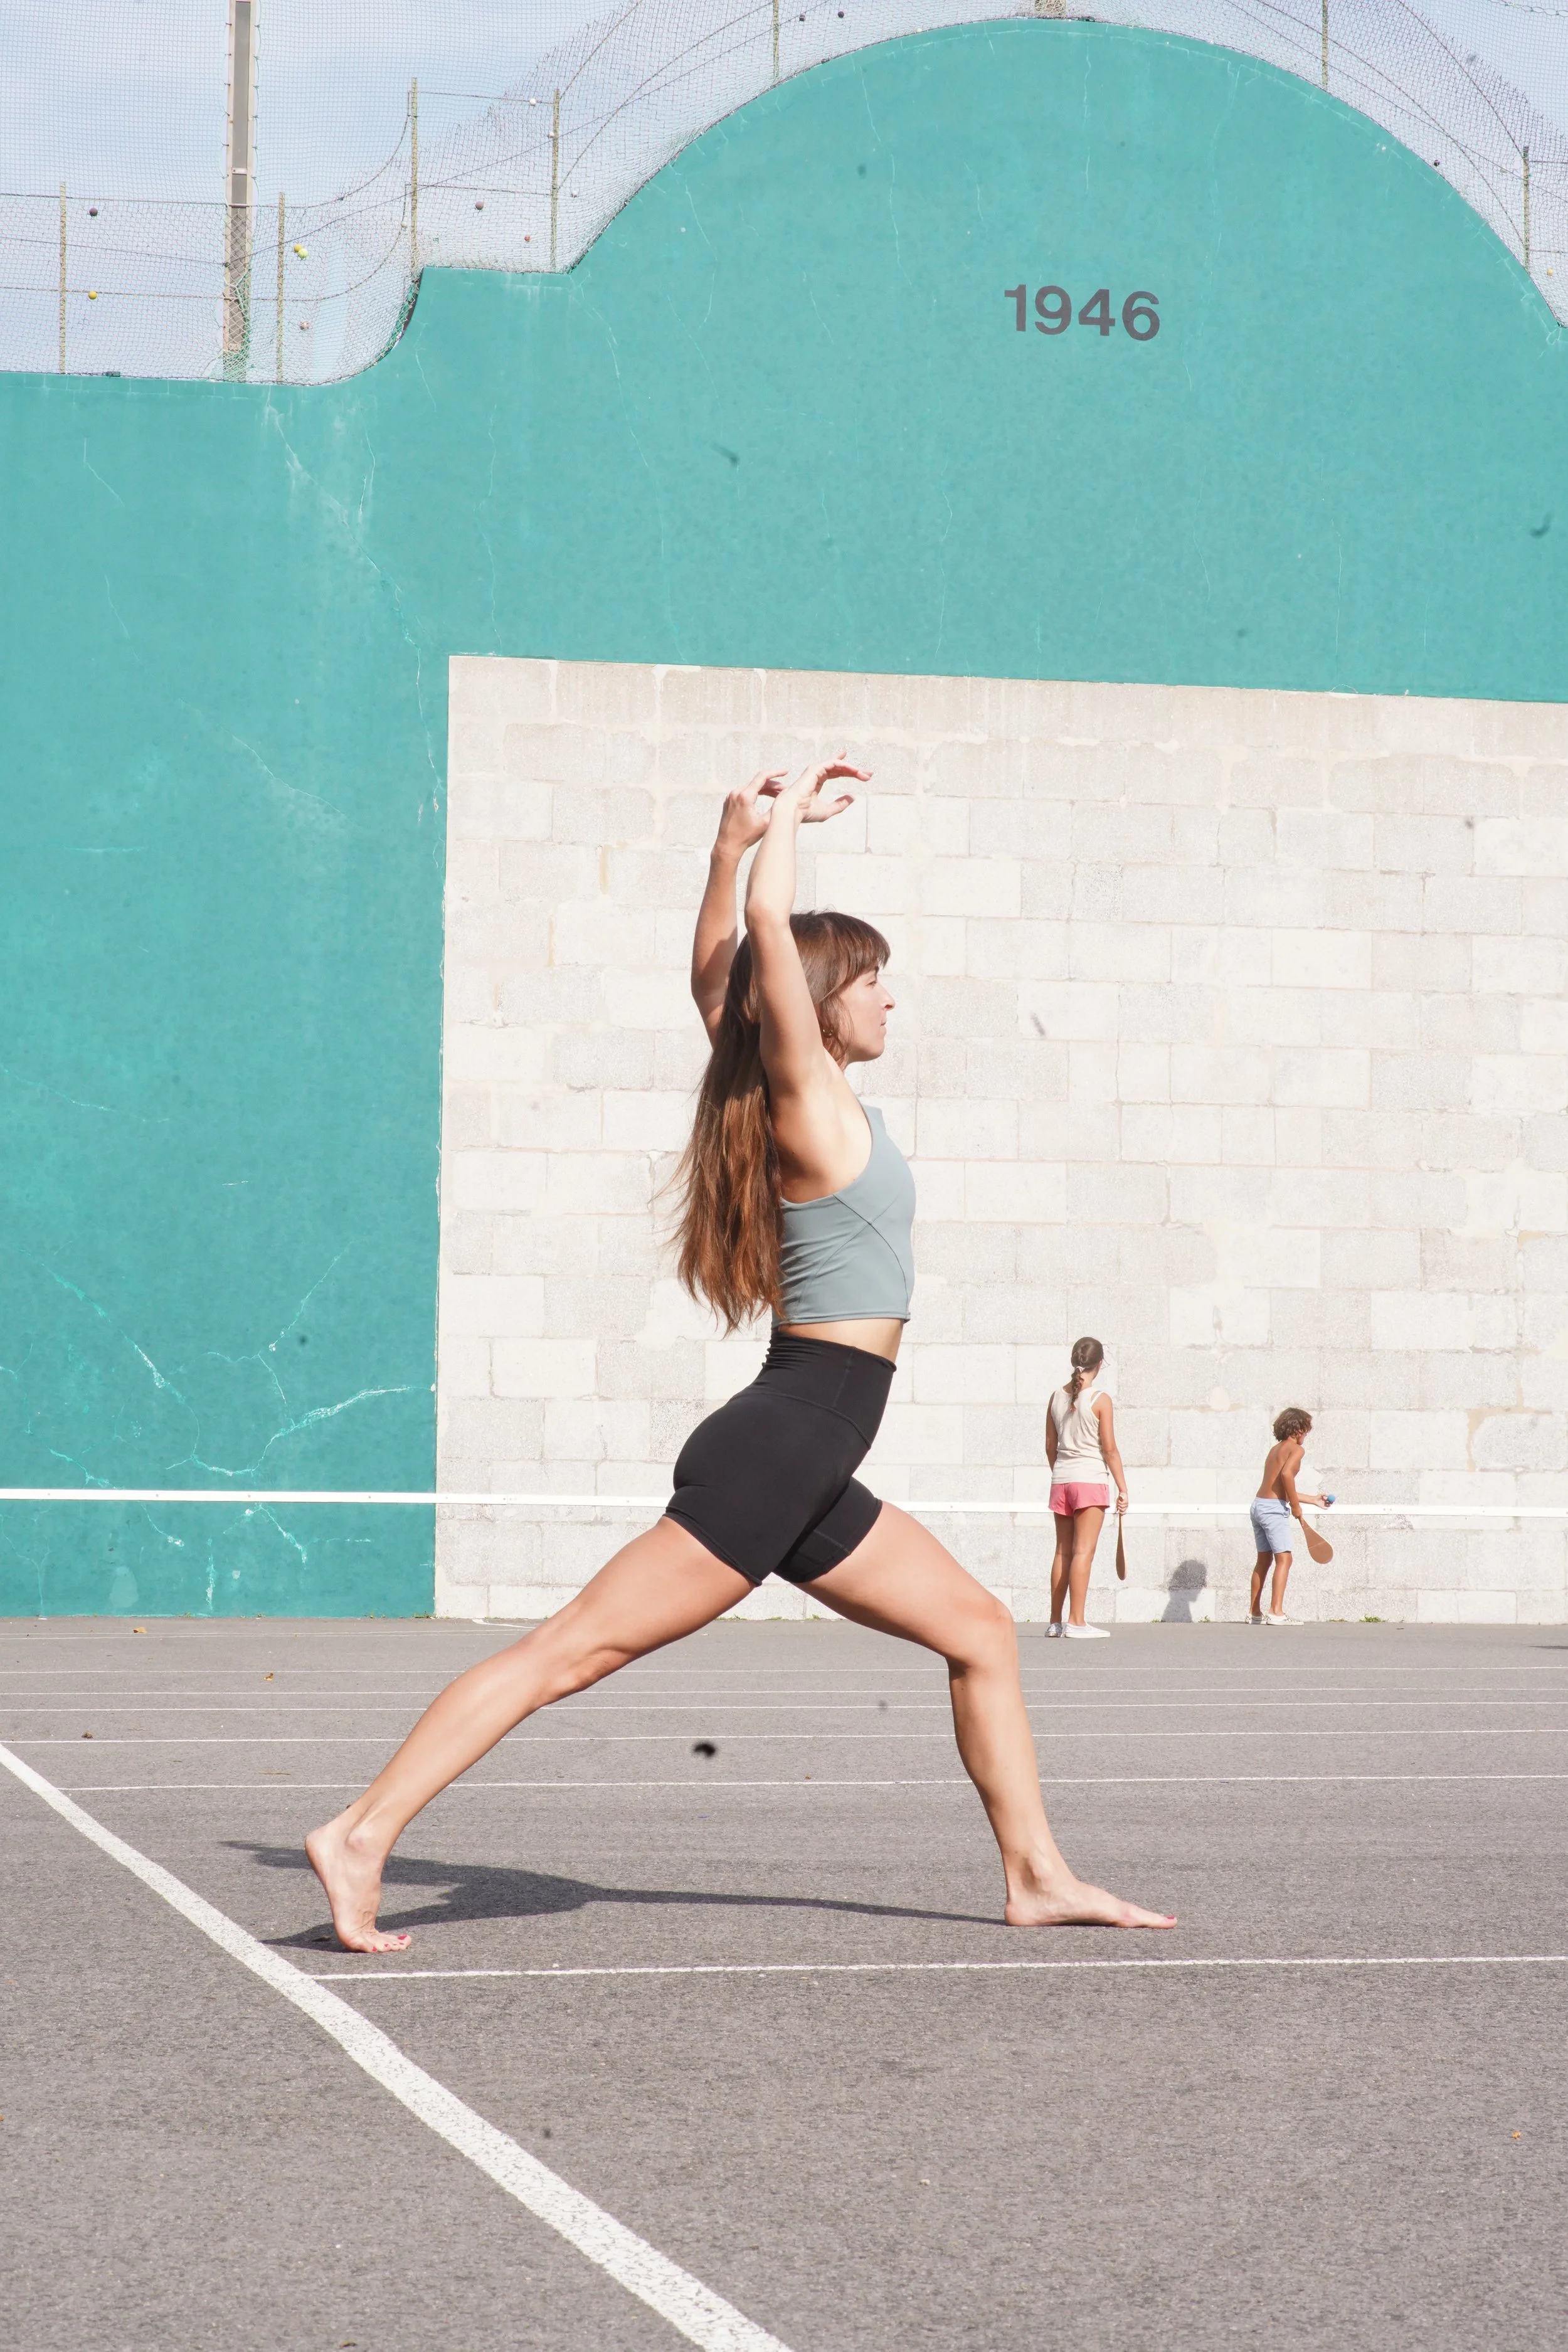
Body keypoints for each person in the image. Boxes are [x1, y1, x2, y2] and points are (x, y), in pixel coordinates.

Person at [305, 759, 1175, 1949]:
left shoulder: (776, 1092)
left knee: (978, 1630)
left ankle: (1035, 1874)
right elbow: (760, 938)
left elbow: (713, 976)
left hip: (806, 1450)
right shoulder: (808, 1102)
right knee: (567, 1655)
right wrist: (784, 840)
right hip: (784, 1444)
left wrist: (728, 844)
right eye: (872, 982)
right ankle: (361, 1831)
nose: (888, 1002)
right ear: (818, 1005)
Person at [1045, 1337, 1127, 1640]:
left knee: (1062, 1552)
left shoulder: (1055, 1397)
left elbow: (1050, 1447)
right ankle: (1077, 1622)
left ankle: (1055, 1622)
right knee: (1083, 1552)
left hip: (1061, 1480)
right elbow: (1110, 1450)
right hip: (1090, 1479)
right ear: (1100, 1364)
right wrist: (1123, 1488)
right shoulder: (1100, 1399)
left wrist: (1061, 1472)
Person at [1249, 1408, 1330, 1626]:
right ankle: (1276, 1612)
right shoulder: (1296, 1450)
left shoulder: (1275, 1450)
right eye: (1306, 1430)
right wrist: (1295, 1507)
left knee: (1264, 1560)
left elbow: (1276, 1486)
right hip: (1274, 1510)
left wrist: (1312, 1499)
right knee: (1285, 1558)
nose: (1307, 1435)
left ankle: (1254, 1613)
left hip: (1259, 1506)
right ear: (1299, 1429)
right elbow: (1286, 1476)